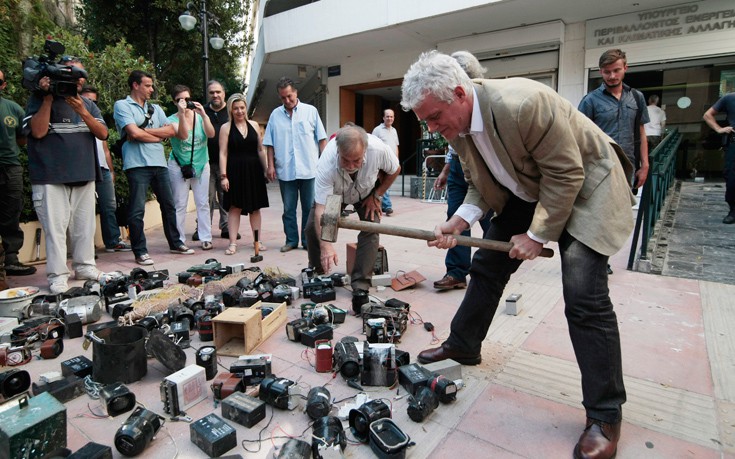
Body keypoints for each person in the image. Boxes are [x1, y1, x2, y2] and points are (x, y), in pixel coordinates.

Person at [401, 50, 634, 459]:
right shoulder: (458, 128)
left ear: (459, 93)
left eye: (435, 117)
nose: (434, 129)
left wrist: (537, 234)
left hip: (586, 188)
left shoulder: (524, 103)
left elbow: (567, 174)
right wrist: (459, 222)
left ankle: (605, 415)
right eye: (427, 122)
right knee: (487, 266)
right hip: (534, 187)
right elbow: (480, 180)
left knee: (584, 297)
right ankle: (464, 344)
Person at [23, 58, 110, 293]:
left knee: (84, 228)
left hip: (84, 173)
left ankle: (85, 266)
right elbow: (38, 132)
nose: (76, 78)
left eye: (79, 74)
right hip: (50, 177)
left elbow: (103, 133)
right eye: (70, 73)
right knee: (56, 230)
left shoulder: (88, 104)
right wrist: (48, 97)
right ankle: (57, 275)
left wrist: (82, 110)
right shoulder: (38, 99)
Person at [304, 125, 400, 294]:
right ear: (338, 151)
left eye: (356, 160)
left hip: (366, 192)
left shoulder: (378, 149)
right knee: (313, 226)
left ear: (365, 150)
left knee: (371, 228)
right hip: (335, 195)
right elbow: (321, 209)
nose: (350, 166)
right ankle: (317, 273)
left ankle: (361, 284)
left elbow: (395, 169)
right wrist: (327, 246)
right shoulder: (326, 163)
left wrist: (377, 195)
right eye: (345, 160)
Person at [113, 70, 194, 266]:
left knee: (169, 205)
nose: (152, 89)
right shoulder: (122, 105)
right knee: (137, 210)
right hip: (137, 164)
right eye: (148, 85)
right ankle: (140, 251)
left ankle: (176, 243)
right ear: (135, 85)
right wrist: (157, 136)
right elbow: (133, 133)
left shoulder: (156, 109)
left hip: (159, 163)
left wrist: (144, 132)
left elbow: (172, 131)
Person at [432, 51, 492, 291]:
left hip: (484, 168)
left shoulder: (486, 104)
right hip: (458, 168)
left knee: (490, 222)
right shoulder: (450, 113)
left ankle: (490, 271)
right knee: (456, 219)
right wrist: (446, 170)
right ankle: (457, 272)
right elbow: (455, 145)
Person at [263, 77, 327, 252]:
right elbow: (269, 143)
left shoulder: (311, 111)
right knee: (288, 209)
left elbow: (322, 140)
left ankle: (307, 241)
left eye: (289, 96)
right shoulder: (275, 115)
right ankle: (291, 240)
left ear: (295, 93)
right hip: (286, 171)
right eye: (283, 97)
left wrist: (324, 164)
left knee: (309, 209)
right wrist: (270, 166)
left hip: (309, 169)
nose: (287, 100)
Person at [579, 49, 649, 191]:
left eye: (616, 70)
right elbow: (580, 137)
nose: (612, 76)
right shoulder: (590, 101)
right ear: (601, 72)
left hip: (628, 166)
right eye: (607, 72)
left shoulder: (636, 97)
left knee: (625, 210)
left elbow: (641, 133)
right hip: (600, 168)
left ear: (625, 68)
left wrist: (645, 165)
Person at [79, 85, 131, 253]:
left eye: (94, 101)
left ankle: (112, 241)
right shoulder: (73, 120)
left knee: (109, 205)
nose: (90, 103)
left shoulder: (98, 121)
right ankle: (83, 247)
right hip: (83, 167)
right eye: (87, 100)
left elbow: (105, 148)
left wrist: (111, 169)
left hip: (102, 169)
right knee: (82, 209)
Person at [218, 94, 269, 255]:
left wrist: (266, 169)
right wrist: (224, 176)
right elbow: (223, 153)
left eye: (242, 107)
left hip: (254, 170)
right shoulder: (225, 128)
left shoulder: (254, 125)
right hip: (235, 171)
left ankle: (257, 240)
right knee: (235, 207)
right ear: (231, 110)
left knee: (255, 208)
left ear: (246, 108)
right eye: (235, 108)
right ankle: (232, 243)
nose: (239, 111)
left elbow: (261, 149)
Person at [167, 84, 215, 251]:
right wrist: (181, 114)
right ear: (174, 102)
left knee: (203, 202)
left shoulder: (200, 117)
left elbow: (211, 134)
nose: (185, 103)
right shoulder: (171, 120)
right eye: (181, 100)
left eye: (188, 99)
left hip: (201, 164)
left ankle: (206, 237)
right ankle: (179, 239)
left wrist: (203, 114)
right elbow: (183, 135)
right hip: (179, 165)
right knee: (180, 203)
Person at [0, 68, 36, 276]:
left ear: (3, 85)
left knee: (11, 212)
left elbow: (23, 137)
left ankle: (11, 259)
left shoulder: (12, 108)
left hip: (10, 166)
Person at [202, 80, 239, 241]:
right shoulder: (201, 112)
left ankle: (226, 227)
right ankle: (203, 228)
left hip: (227, 163)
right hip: (206, 162)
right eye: (212, 92)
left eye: (218, 92)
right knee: (206, 197)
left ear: (224, 93)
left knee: (226, 197)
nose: (215, 95)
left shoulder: (232, 112)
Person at [703, 92, 735, 224]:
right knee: (732, 177)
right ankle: (733, 210)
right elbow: (707, 115)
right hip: (734, 144)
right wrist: (719, 129)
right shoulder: (729, 98)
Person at [371, 109, 399, 215]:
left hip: (392, 162)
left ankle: (382, 204)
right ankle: (387, 206)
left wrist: (397, 160)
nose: (389, 118)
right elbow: (372, 145)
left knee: (386, 182)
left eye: (391, 116)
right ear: (383, 118)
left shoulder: (394, 130)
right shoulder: (377, 130)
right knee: (384, 182)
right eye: (387, 116)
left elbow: (396, 145)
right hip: (381, 162)